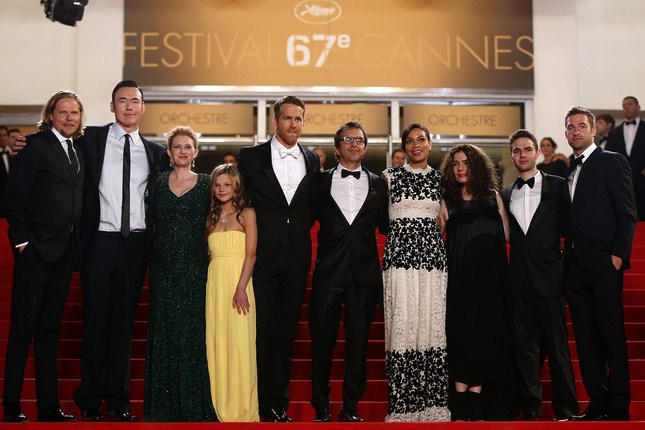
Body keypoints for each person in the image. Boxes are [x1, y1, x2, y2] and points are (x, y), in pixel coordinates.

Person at [71, 80, 169, 421]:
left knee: (123, 325)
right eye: (122, 100)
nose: (129, 106)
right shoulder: (92, 140)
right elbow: (57, 141)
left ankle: (118, 401)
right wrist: (24, 142)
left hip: (136, 246)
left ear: (143, 108)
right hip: (99, 242)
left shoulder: (157, 153)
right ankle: (89, 399)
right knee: (96, 321)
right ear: (112, 106)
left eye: (135, 101)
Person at [2, 90, 84, 422]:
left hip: (65, 252)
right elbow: (15, 198)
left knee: (50, 330)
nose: (69, 118)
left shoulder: (78, 151)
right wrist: (22, 243)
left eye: (75, 113)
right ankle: (10, 405)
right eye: (63, 112)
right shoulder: (34, 146)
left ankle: (48, 407)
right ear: (50, 115)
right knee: (23, 328)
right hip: (34, 251)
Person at [237, 95, 319, 422]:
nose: (293, 124)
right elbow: (241, 198)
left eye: (299, 119)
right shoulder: (251, 156)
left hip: (297, 255)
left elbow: (309, 206)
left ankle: (277, 404)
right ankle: (256, 402)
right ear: (275, 121)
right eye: (287, 118)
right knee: (261, 330)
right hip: (262, 254)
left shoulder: (312, 160)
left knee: (286, 333)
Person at [309, 121, 388, 423]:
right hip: (328, 272)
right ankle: (321, 407)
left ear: (365, 147)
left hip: (364, 275)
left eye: (359, 140)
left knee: (358, 344)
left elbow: (386, 225)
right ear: (338, 146)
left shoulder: (379, 184)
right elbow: (300, 218)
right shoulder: (318, 182)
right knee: (322, 343)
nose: (354, 144)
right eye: (347, 139)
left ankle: (350, 407)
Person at [564, 106, 637, 421]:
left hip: (604, 264)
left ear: (593, 130)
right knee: (585, 337)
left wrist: (618, 257)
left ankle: (618, 405)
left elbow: (627, 212)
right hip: (575, 266)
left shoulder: (611, 161)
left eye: (581, 126)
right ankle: (597, 402)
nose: (576, 131)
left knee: (610, 334)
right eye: (570, 127)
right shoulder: (569, 171)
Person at [500, 129, 578, 421]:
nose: (522, 155)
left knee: (558, 350)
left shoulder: (559, 186)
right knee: (525, 350)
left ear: (537, 153)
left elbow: (571, 230)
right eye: (517, 150)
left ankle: (567, 409)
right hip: (519, 282)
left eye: (527, 149)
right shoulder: (506, 194)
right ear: (512, 155)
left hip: (550, 279)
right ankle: (531, 410)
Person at [143, 126, 216, 421]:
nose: (183, 152)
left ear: (196, 152)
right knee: (164, 329)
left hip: (195, 264)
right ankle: (162, 405)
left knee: (192, 331)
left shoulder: (209, 183)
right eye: (177, 147)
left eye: (188, 147)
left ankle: (192, 403)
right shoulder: (157, 182)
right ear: (169, 153)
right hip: (161, 264)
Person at [440, 144, 516, 421]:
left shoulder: (493, 196)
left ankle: (475, 404)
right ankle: (461, 407)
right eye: (456, 163)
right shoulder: (447, 199)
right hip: (460, 283)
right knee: (463, 337)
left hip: (491, 283)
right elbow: (435, 240)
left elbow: (509, 235)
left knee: (487, 339)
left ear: (477, 167)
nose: (460, 168)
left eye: (466, 163)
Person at [381, 124, 450, 422]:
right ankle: (404, 407)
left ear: (430, 144)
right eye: (409, 141)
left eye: (421, 140)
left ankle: (433, 407)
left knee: (431, 328)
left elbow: (445, 220)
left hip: (432, 263)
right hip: (399, 263)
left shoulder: (441, 179)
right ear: (404, 147)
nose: (415, 145)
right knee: (403, 327)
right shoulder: (389, 177)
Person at [205, 164, 259, 422]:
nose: (222, 189)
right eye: (217, 185)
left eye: (227, 184)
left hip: (239, 283)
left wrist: (240, 288)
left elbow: (251, 254)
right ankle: (219, 405)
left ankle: (242, 408)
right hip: (215, 284)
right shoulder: (211, 217)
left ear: (235, 186)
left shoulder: (246, 214)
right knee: (217, 342)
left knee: (239, 344)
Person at [606, 96, 645, 220]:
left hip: (643, 182)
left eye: (629, 104)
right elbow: (608, 156)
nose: (626, 107)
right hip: (621, 183)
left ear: (638, 107)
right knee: (624, 219)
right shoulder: (614, 133)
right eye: (624, 105)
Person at [0, 125, 11, 217]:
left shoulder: (14, 153)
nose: (2, 138)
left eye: (4, 135)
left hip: (12, 200)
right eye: (0, 135)